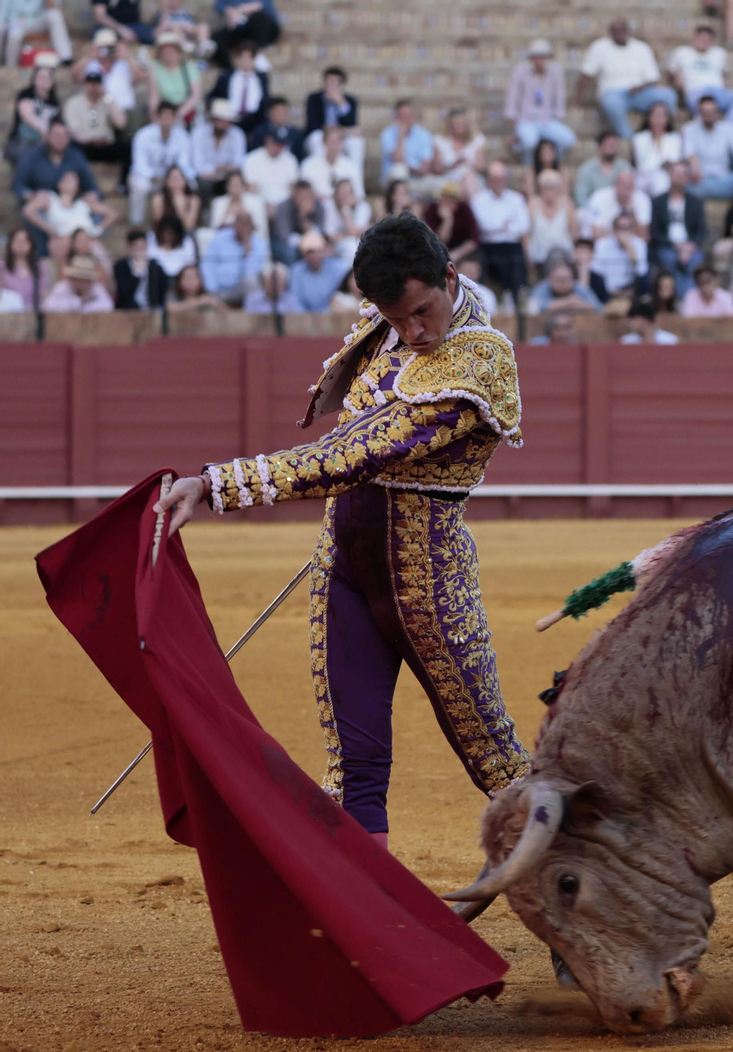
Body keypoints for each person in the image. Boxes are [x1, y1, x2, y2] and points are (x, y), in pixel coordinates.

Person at [156, 226, 533, 850]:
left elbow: (353, 454)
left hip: (426, 582)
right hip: (346, 568)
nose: (412, 331)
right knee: (354, 765)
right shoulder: (383, 326)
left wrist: (218, 483)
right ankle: (369, 931)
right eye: (396, 318)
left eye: (421, 312)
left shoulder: (480, 360)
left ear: (449, 278)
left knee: (495, 757)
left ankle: (586, 905)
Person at [579, 18, 677, 141]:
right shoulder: (599, 47)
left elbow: (653, 79)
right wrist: (578, 101)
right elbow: (586, 74)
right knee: (611, 103)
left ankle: (669, 133)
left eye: (622, 30)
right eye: (616, 30)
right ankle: (629, 139)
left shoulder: (641, 48)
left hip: (641, 92)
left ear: (628, 31)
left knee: (669, 95)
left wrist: (639, 88)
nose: (619, 33)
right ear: (610, 32)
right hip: (613, 94)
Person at [505, 39, 574, 164]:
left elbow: (559, 97)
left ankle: (553, 164)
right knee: (529, 142)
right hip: (526, 120)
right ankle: (528, 166)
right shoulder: (520, 72)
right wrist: (513, 126)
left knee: (568, 140)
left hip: (548, 120)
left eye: (543, 57)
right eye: (537, 57)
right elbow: (513, 97)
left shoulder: (555, 72)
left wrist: (558, 117)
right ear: (531, 58)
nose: (540, 61)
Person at [128, 101, 193, 226]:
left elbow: (184, 163)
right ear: (157, 117)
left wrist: (172, 179)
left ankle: (184, 224)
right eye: (164, 116)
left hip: (172, 179)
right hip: (149, 178)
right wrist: (156, 177)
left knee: (191, 184)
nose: (167, 120)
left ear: (175, 118)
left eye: (170, 116)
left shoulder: (182, 137)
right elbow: (140, 164)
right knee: (140, 186)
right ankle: (136, 224)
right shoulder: (143, 135)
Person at [472, 162, 530, 297]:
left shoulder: (516, 199)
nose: (498, 182)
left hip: (512, 245)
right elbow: (483, 226)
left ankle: (515, 299)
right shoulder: (479, 200)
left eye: (501, 178)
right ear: (488, 180)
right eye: (494, 178)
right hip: (488, 246)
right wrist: (504, 225)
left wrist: (496, 227)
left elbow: (522, 226)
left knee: (517, 265)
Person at [650, 160, 707, 294]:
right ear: (669, 175)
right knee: (669, 260)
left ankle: (687, 301)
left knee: (695, 261)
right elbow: (655, 232)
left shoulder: (695, 202)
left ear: (687, 177)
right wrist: (677, 246)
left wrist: (689, 246)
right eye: (676, 173)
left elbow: (701, 230)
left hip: (690, 247)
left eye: (683, 174)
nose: (679, 177)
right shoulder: (658, 202)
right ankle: (681, 299)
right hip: (667, 246)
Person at [683, 96, 733, 199]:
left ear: (717, 113)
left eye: (711, 112)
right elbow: (689, 152)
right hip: (700, 180)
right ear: (699, 113)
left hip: (724, 180)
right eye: (705, 112)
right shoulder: (689, 129)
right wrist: (695, 168)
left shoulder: (729, 128)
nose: (708, 115)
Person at [61, 71, 127, 171]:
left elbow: (121, 124)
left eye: (96, 84)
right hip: (85, 145)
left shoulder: (107, 101)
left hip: (105, 146)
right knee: (72, 149)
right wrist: (89, 141)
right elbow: (72, 130)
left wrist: (108, 97)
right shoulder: (73, 103)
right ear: (85, 85)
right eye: (90, 84)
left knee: (127, 147)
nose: (93, 87)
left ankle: (123, 184)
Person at [669, 25, 733, 114]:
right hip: (696, 92)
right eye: (701, 38)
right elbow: (673, 74)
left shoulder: (719, 53)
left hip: (718, 92)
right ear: (694, 38)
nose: (704, 42)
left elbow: (724, 78)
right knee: (706, 106)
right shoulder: (681, 53)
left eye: (707, 39)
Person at [200, 211, 267, 303]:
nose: (243, 227)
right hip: (218, 289)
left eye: (246, 223)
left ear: (252, 226)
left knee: (251, 282)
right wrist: (212, 289)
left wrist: (247, 248)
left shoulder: (260, 244)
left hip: (241, 288)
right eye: (240, 222)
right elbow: (208, 264)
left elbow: (252, 272)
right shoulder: (219, 238)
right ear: (234, 224)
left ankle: (252, 315)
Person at [303, 66, 361, 167]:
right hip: (322, 135)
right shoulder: (314, 99)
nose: (332, 87)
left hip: (341, 137)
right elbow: (313, 124)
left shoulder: (350, 101)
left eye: (336, 84)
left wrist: (341, 103)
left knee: (356, 142)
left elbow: (352, 124)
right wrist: (333, 132)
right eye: (329, 83)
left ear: (342, 85)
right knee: (317, 139)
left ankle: (355, 179)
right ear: (324, 84)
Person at [207, 38, 267, 136]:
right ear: (237, 59)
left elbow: (264, 103)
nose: (245, 61)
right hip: (228, 123)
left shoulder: (262, 79)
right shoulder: (225, 77)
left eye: (249, 57)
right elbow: (213, 97)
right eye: (242, 57)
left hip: (254, 124)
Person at [74, 28, 141, 114]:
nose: (106, 50)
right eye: (102, 47)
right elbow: (74, 75)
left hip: (125, 111)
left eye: (110, 47)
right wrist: (89, 56)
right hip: (100, 113)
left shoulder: (124, 64)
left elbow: (139, 77)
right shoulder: (90, 64)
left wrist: (127, 56)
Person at [7, 61, 59, 167]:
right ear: (34, 79)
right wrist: (44, 132)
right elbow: (28, 116)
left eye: (48, 77)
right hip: (22, 141)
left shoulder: (54, 102)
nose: (44, 81)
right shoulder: (25, 94)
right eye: (41, 77)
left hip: (45, 143)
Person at [147, 31, 203, 126]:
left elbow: (196, 96)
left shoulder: (189, 66)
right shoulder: (155, 68)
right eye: (165, 49)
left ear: (178, 51)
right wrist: (154, 116)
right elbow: (154, 96)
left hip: (189, 112)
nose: (169, 52)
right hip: (167, 111)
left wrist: (178, 114)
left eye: (172, 49)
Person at [379, 98, 435, 189]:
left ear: (413, 115)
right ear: (396, 117)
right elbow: (397, 159)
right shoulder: (387, 134)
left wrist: (409, 169)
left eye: (408, 115)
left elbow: (425, 168)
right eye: (402, 116)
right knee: (399, 170)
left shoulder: (424, 135)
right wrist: (400, 137)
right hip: (393, 180)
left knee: (436, 183)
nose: (405, 119)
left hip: (417, 179)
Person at [632, 101, 684, 198]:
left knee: (661, 181)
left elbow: (675, 161)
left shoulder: (675, 138)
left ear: (667, 119)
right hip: (643, 177)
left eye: (662, 115)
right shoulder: (639, 139)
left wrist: (667, 164)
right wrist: (663, 163)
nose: (658, 119)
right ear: (648, 118)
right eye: (655, 115)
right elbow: (643, 165)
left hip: (666, 178)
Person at [527, 170, 577, 270]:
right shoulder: (533, 204)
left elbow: (574, 232)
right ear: (540, 189)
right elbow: (528, 233)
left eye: (552, 187)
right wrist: (528, 257)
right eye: (545, 187)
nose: (549, 191)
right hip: (539, 256)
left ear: (558, 188)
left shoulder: (567, 204)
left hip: (563, 256)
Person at [593, 211, 649, 297]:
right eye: (621, 228)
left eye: (627, 228)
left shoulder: (639, 244)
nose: (624, 232)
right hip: (608, 290)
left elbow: (641, 273)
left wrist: (631, 251)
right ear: (614, 230)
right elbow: (597, 272)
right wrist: (611, 290)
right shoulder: (602, 245)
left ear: (632, 230)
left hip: (631, 290)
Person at [270, 178, 328, 263]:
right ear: (294, 196)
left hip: (310, 240)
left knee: (323, 251)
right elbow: (285, 236)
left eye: (308, 196)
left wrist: (305, 218)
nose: (305, 200)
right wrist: (301, 215)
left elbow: (320, 233)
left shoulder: (318, 206)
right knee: (290, 252)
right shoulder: (284, 207)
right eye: (301, 196)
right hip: (285, 243)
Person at [583, 167, 651, 238]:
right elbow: (597, 232)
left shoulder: (643, 199)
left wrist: (632, 212)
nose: (624, 189)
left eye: (628, 186)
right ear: (614, 184)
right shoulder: (599, 197)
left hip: (632, 243)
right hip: (605, 243)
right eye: (622, 185)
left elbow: (643, 235)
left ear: (634, 187)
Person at [299, 124, 361, 200]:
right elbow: (304, 194)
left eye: (338, 141)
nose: (334, 145)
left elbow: (358, 195)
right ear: (323, 143)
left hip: (343, 208)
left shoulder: (351, 166)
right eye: (331, 141)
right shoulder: (308, 165)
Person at [572, 130, 633, 207]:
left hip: (619, 209)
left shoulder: (625, 167)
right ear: (600, 147)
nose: (612, 148)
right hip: (594, 210)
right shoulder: (587, 169)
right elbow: (580, 196)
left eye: (614, 145)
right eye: (609, 145)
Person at [423, 181, 479, 263]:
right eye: (445, 199)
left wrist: (457, 253)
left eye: (452, 200)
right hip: (438, 252)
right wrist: (447, 220)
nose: (447, 203)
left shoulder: (465, 209)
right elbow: (437, 241)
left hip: (462, 251)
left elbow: (473, 239)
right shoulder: (432, 209)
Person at [434, 108, 485, 198]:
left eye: (462, 123)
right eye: (456, 124)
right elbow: (437, 169)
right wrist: (454, 165)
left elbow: (480, 166)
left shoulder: (477, 139)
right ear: (449, 125)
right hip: (448, 179)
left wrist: (467, 163)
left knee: (468, 176)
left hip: (471, 178)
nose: (459, 126)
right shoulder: (440, 140)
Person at [243, 126, 297, 210]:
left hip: (285, 205)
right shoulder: (252, 159)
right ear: (267, 141)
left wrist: (282, 207)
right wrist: (265, 205)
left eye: (281, 144)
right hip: (260, 204)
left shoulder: (290, 159)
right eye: (275, 143)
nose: (278, 147)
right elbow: (251, 188)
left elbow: (292, 187)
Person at [285, 230, 340, 313]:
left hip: (332, 316)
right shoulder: (297, 270)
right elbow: (295, 300)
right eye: (310, 252)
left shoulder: (336, 268)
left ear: (323, 251)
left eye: (317, 251)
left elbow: (339, 296)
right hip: (304, 320)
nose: (314, 255)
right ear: (303, 254)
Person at [5, 0, 71, 68]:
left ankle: (65, 58)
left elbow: (53, 7)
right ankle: (10, 67)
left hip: (38, 20)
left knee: (55, 15)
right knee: (14, 35)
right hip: (18, 20)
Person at [526, 257, 602, 313]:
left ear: (572, 280)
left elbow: (598, 307)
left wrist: (582, 306)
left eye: (566, 279)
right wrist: (567, 302)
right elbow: (532, 306)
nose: (562, 283)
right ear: (550, 279)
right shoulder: (542, 288)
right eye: (558, 279)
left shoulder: (579, 288)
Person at [41, 254, 113, 311]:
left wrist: (88, 304)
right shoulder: (62, 287)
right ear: (72, 278)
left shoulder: (97, 288)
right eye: (78, 278)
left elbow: (108, 307)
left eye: (85, 279)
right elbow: (48, 306)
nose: (81, 282)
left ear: (90, 281)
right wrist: (81, 301)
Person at [325, 178, 370, 266]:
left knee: (354, 248)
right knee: (351, 247)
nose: (346, 196)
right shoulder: (330, 207)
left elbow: (357, 232)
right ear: (336, 195)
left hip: (359, 243)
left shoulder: (363, 207)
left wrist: (346, 211)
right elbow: (331, 236)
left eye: (349, 192)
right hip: (337, 246)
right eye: (342, 193)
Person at [0, 226, 48, 308]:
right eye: (17, 241)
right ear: (10, 243)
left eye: (25, 241)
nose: (21, 244)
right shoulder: (2, 266)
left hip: (34, 309)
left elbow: (44, 291)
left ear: (31, 244)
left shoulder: (39, 266)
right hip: (9, 310)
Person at [214, 0, 280, 59]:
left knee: (259, 17)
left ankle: (260, 54)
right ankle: (230, 68)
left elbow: (261, 4)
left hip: (266, 28)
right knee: (219, 37)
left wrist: (240, 10)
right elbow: (219, 5)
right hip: (242, 29)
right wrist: (230, 12)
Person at [209, 166, 267, 233]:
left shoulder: (256, 202)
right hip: (224, 238)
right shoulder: (218, 203)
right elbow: (214, 227)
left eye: (238, 184)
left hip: (248, 239)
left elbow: (260, 227)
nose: (235, 188)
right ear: (227, 187)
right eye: (232, 185)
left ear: (243, 186)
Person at [149, 211, 196, 279]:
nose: (168, 236)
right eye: (165, 233)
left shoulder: (187, 242)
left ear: (177, 234)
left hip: (180, 280)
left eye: (171, 234)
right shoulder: (151, 239)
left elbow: (190, 264)